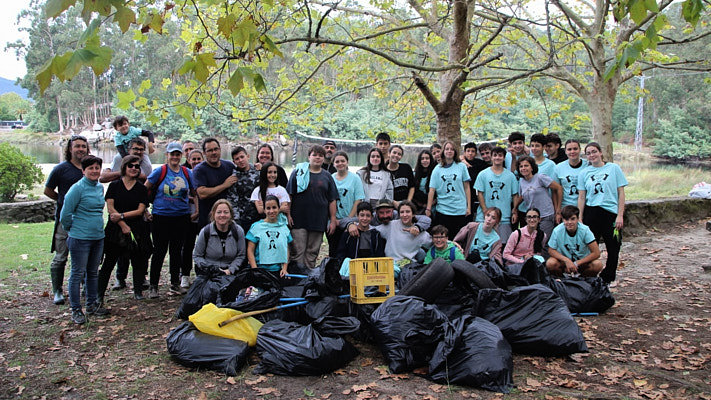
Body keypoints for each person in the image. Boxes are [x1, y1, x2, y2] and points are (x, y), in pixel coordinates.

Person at [100, 137, 153, 291]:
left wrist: (122, 216)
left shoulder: (141, 188)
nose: (134, 168)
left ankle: (138, 290)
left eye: (137, 166)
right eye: (131, 166)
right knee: (110, 261)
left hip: (137, 227)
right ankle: (100, 294)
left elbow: (140, 209)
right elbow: (110, 207)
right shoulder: (115, 186)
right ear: (124, 167)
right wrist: (122, 223)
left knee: (139, 259)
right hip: (115, 228)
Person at [60, 155, 107, 324]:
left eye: (97, 168)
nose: (95, 171)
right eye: (91, 168)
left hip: (98, 237)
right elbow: (65, 214)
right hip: (80, 238)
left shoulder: (99, 187)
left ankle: (92, 304)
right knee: (77, 273)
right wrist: (71, 229)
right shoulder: (77, 188)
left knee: (93, 272)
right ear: (83, 170)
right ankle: (76, 309)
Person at [145, 142, 194, 298]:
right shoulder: (160, 171)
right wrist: (145, 210)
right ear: (167, 155)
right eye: (172, 154)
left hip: (181, 217)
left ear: (181, 156)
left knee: (176, 251)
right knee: (159, 251)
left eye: (177, 154)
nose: (175, 157)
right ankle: (153, 286)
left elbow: (195, 192)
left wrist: (197, 210)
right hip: (161, 217)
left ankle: (174, 283)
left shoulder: (187, 173)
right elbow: (145, 189)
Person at [44, 135, 87, 305]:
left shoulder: (88, 168)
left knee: (84, 254)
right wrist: (63, 201)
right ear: (70, 149)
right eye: (77, 146)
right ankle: (57, 291)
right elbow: (48, 190)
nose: (80, 149)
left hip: (84, 220)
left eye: (83, 146)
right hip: (65, 219)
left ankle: (85, 286)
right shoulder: (61, 169)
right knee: (61, 255)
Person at [578, 142, 627, 284]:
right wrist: (580, 217)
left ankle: (608, 277)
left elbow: (621, 193)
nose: (592, 155)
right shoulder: (584, 173)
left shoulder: (613, 168)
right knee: (589, 246)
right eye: (588, 153)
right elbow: (582, 196)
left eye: (594, 152)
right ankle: (588, 275)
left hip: (610, 212)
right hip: (591, 212)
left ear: (600, 152)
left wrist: (620, 215)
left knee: (613, 246)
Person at [287, 145, 339, 268]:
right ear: (309, 156)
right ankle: (296, 279)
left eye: (320, 155)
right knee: (297, 251)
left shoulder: (327, 176)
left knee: (312, 252)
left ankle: (309, 277)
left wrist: (332, 220)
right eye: (314, 155)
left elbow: (332, 200)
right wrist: (288, 214)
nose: (317, 158)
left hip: (318, 220)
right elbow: (289, 194)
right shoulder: (298, 173)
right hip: (298, 219)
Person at [425, 141, 471, 239]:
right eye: (447, 149)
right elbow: (432, 190)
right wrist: (428, 208)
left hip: (459, 209)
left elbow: (467, 187)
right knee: (443, 238)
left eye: (452, 149)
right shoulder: (437, 169)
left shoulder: (461, 166)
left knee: (458, 239)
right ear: (443, 151)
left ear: (455, 152)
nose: (449, 151)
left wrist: (469, 207)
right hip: (443, 210)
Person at [474, 146, 520, 243]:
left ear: (504, 158)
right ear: (491, 157)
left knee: (502, 244)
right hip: (485, 217)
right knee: (483, 243)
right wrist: (485, 210)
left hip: (504, 217)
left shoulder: (510, 176)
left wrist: (514, 211)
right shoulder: (483, 174)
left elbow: (515, 195)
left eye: (500, 155)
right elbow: (480, 193)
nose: (497, 158)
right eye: (495, 155)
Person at [375, 200, 431, 274]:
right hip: (391, 265)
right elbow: (370, 229)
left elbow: (435, 244)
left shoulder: (420, 232)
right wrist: (354, 224)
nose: (404, 215)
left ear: (413, 214)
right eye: (402, 212)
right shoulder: (391, 225)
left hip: (409, 267)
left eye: (407, 212)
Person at [546, 205, 603, 277]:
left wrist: (577, 263)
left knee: (597, 264)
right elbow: (551, 250)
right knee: (550, 263)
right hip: (565, 262)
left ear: (577, 219)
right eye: (566, 220)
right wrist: (566, 260)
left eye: (572, 219)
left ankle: (583, 279)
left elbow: (596, 253)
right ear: (563, 220)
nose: (569, 222)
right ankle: (562, 279)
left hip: (582, 262)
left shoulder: (585, 230)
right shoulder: (557, 230)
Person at [193, 199, 246, 275]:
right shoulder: (205, 232)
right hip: (209, 271)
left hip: (231, 271)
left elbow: (241, 255)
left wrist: (230, 270)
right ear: (213, 214)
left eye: (226, 212)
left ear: (231, 214)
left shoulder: (238, 231)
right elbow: (197, 256)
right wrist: (210, 269)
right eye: (219, 212)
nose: (222, 215)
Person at [193, 138, 237, 227]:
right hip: (208, 221)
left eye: (216, 149)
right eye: (210, 150)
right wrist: (224, 185)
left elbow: (244, 170)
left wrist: (258, 168)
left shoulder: (229, 166)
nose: (214, 153)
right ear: (204, 153)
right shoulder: (200, 170)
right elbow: (202, 193)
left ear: (220, 150)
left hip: (227, 220)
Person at [515, 155, 562, 238]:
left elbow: (558, 188)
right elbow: (522, 196)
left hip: (545, 215)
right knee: (532, 241)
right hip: (532, 218)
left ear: (532, 167)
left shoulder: (540, 177)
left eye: (526, 165)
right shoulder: (522, 181)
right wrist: (515, 208)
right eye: (521, 166)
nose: (523, 168)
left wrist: (558, 210)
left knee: (544, 241)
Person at [246, 195, 292, 278]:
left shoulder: (284, 228)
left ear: (279, 208)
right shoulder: (256, 227)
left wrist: (284, 268)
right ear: (264, 210)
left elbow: (286, 249)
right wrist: (255, 270)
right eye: (268, 208)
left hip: (278, 271)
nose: (271, 211)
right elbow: (250, 250)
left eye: (274, 207)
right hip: (260, 270)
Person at [330, 151, 365, 257]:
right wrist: (333, 219)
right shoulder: (330, 178)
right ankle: (333, 272)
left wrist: (348, 220)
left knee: (347, 250)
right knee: (333, 250)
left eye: (342, 161)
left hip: (350, 220)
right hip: (334, 220)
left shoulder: (355, 178)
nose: (340, 163)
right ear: (333, 164)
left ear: (347, 162)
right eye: (337, 161)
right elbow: (329, 199)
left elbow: (358, 199)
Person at [180, 149, 205, 290]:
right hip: (187, 216)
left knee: (202, 247)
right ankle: (184, 275)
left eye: (198, 159)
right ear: (188, 160)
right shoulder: (184, 174)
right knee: (187, 246)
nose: (196, 162)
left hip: (202, 217)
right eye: (193, 159)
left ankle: (200, 274)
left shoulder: (204, 172)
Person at [226, 146, 260, 233]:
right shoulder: (234, 177)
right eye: (237, 159)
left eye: (242, 157)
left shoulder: (257, 171)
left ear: (247, 156)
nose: (240, 160)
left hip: (258, 215)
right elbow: (232, 200)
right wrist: (236, 220)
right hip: (242, 218)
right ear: (234, 162)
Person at [554, 139, 588, 207]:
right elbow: (556, 191)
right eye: (569, 149)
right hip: (566, 208)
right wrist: (557, 210)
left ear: (580, 150)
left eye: (575, 149)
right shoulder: (558, 167)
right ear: (565, 151)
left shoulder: (588, 165)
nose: (572, 151)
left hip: (585, 206)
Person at [463, 142, 490, 220]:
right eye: (468, 151)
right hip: (464, 196)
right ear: (464, 152)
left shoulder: (480, 163)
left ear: (476, 153)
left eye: (472, 151)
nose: (470, 153)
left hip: (477, 195)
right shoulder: (460, 164)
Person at [412, 149, 435, 214]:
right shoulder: (414, 174)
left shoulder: (435, 174)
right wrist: (421, 205)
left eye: (427, 158)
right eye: (422, 159)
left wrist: (429, 206)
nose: (425, 160)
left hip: (432, 207)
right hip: (418, 205)